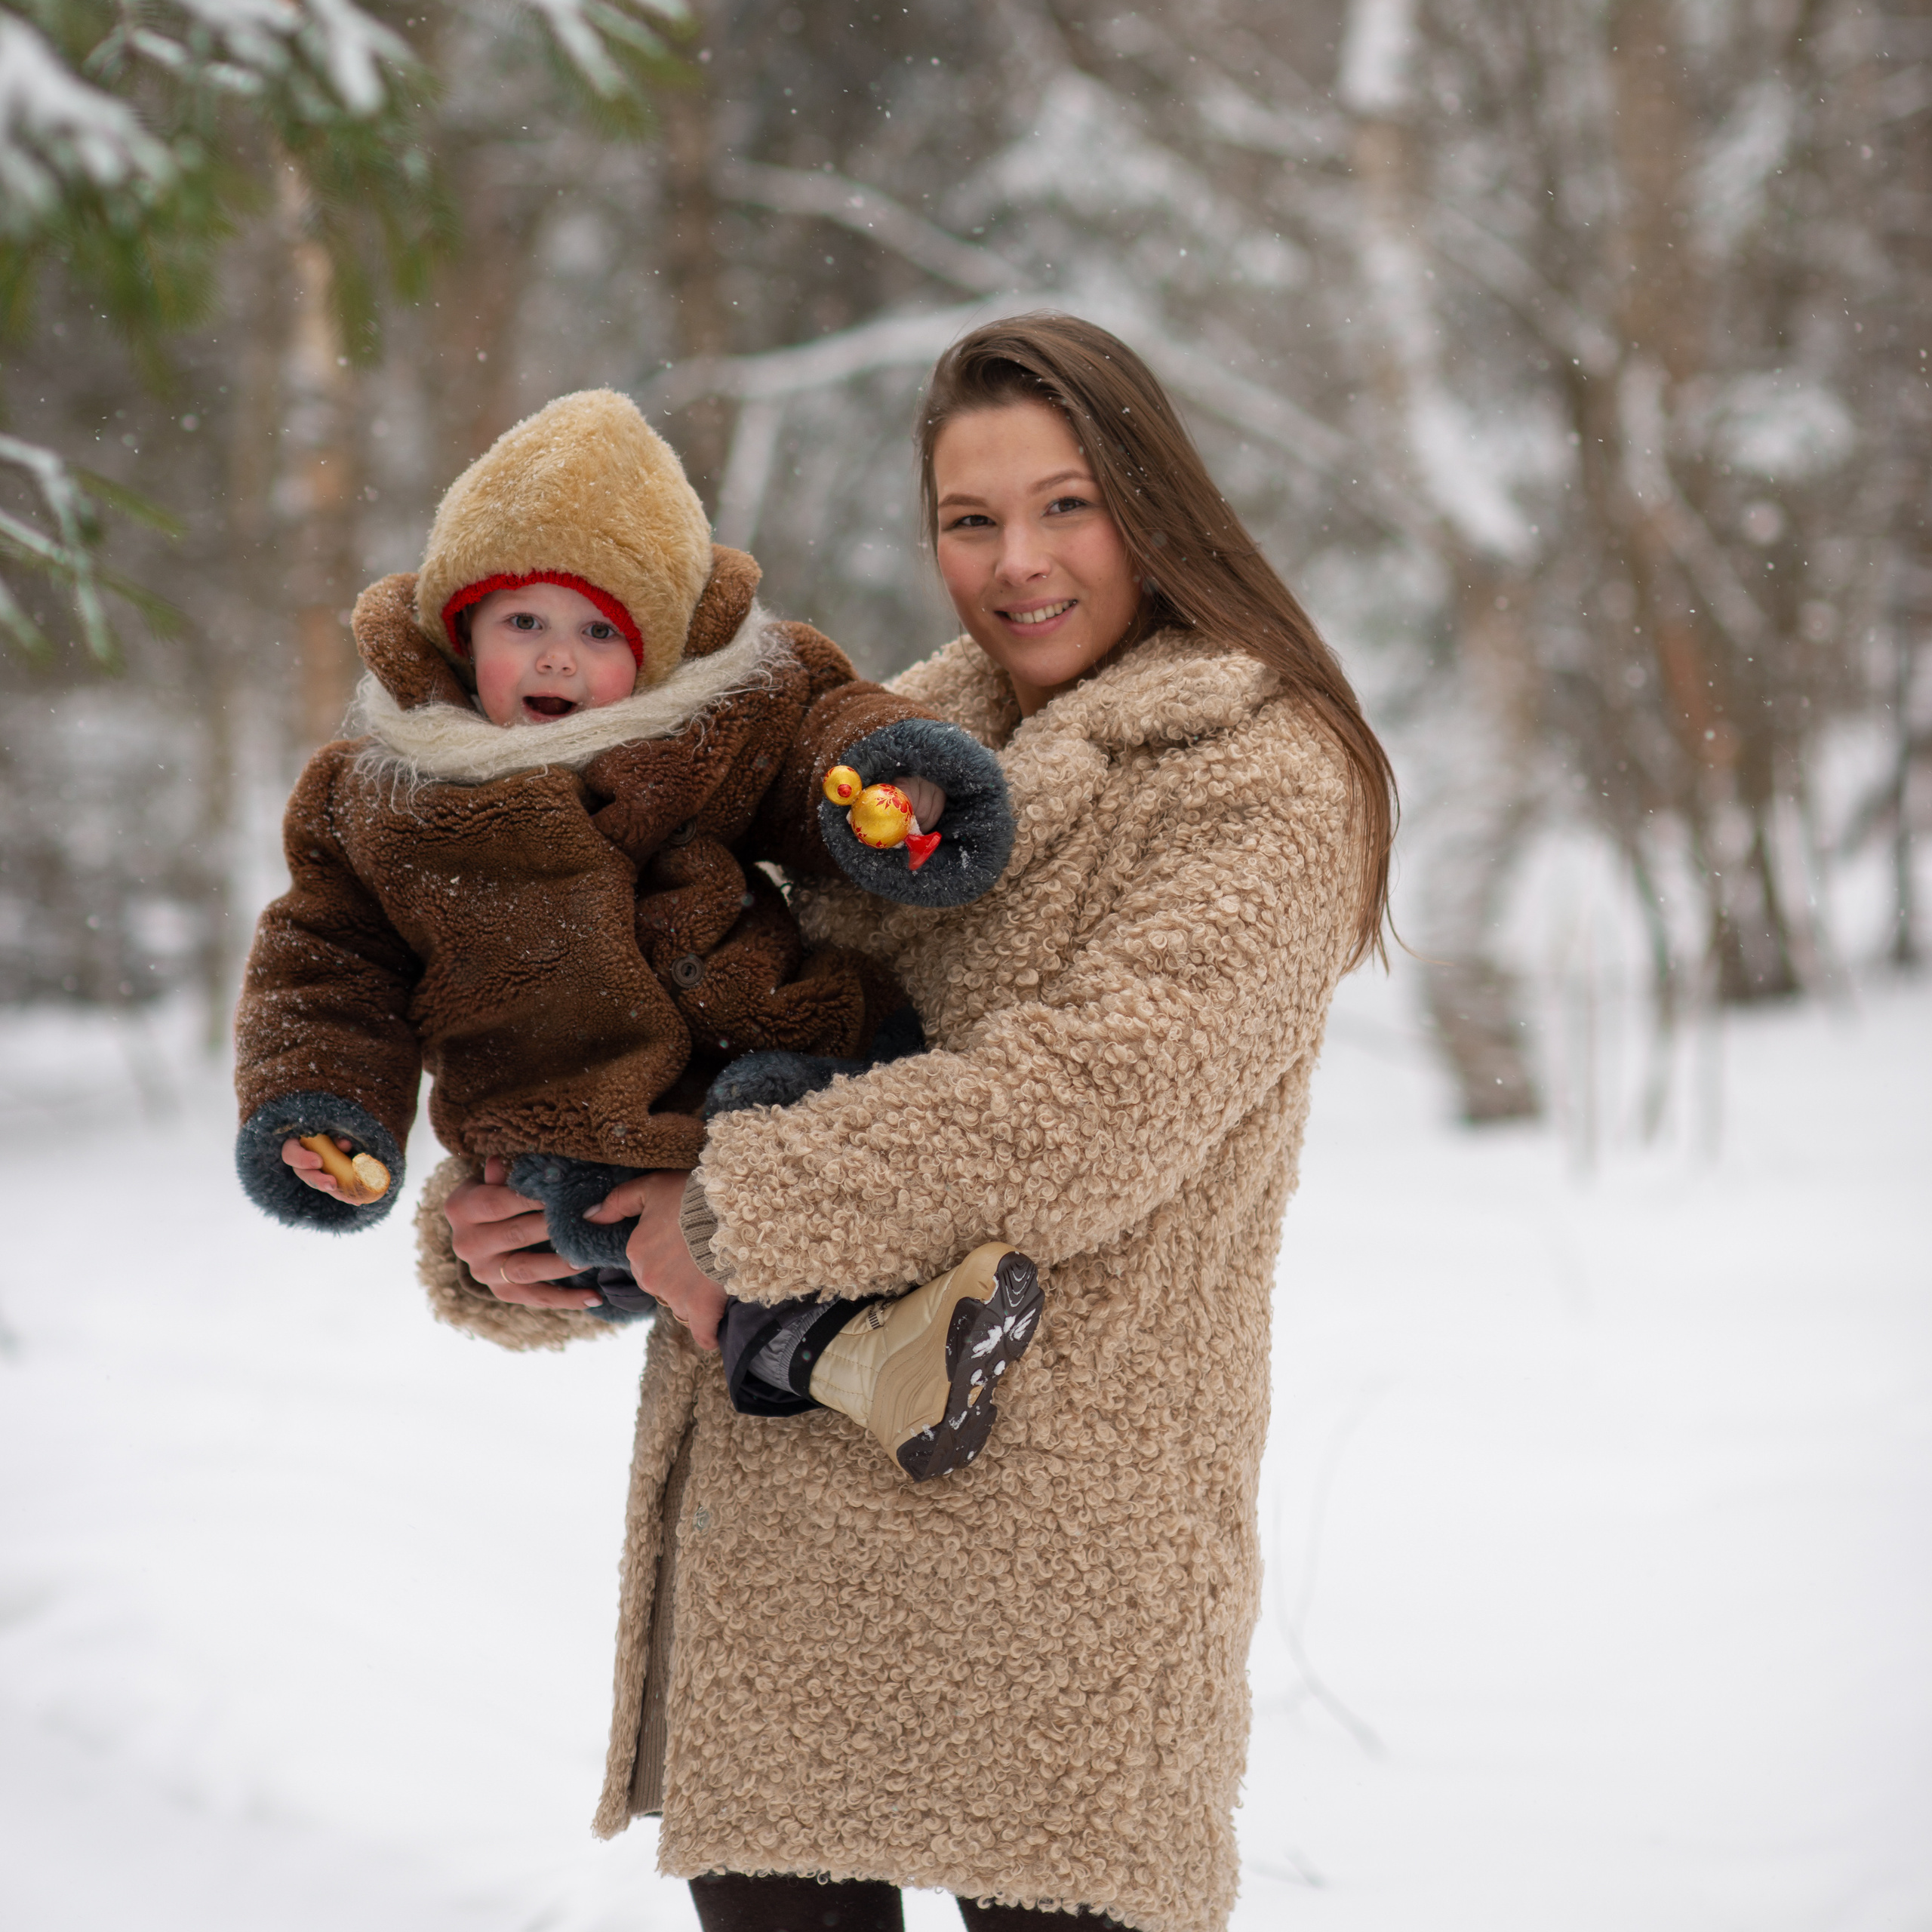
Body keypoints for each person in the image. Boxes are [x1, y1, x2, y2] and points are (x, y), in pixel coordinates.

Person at [431, 314, 1397, 1932]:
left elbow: (1089, 1101)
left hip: (1052, 1555)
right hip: (785, 1552)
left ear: (1151, 502)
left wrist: (728, 1206)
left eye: (1064, 505)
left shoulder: (1263, 770)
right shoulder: (892, 754)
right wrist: (532, 1217)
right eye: (970, 519)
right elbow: (702, 1008)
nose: (1016, 561)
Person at [232, 386, 1034, 1475]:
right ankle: (859, 1365)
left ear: (654, 651)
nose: (557, 660)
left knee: (789, 1113)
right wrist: (320, 1107)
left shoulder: (704, 724)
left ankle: (878, 1327)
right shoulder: (386, 797)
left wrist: (889, 790)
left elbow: (817, 735)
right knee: (588, 1214)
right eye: (525, 624)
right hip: (573, 1130)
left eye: (599, 631)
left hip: (765, 1039)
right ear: (459, 631)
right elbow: (327, 966)